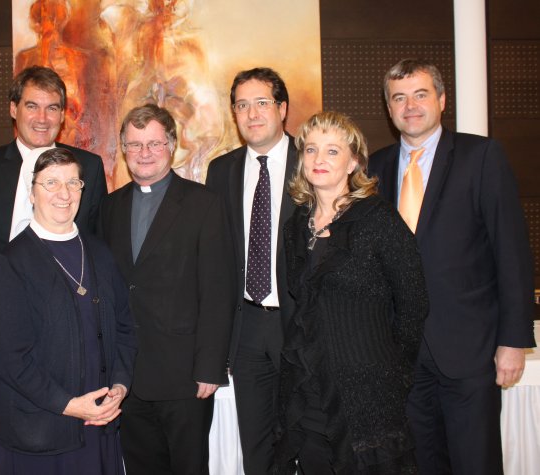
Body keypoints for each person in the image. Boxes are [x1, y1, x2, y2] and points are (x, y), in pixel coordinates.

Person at [368, 59, 536, 475]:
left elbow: (511, 252)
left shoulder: (481, 156)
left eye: (420, 95)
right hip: (402, 356)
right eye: (399, 98)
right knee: (419, 464)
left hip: (470, 351)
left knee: (475, 462)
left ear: (442, 100)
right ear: (388, 108)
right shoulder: (375, 168)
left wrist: (514, 340)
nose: (410, 106)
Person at [273, 111, 428, 474]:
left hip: (366, 393)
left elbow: (414, 303)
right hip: (308, 390)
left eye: (332, 150)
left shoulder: (379, 219)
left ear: (353, 162)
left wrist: (392, 370)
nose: (319, 159)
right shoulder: (296, 225)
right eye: (311, 149)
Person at [98, 104, 235, 474]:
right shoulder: (109, 207)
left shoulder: (204, 203)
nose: (144, 153)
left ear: (171, 146)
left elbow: (218, 290)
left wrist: (210, 367)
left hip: (184, 375)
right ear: (123, 149)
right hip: (127, 376)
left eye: (154, 144)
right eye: (135, 144)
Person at [0, 148, 136, 474]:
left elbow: (125, 327)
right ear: (32, 193)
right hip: (42, 431)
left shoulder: (100, 252)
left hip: (99, 421)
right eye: (51, 183)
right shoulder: (13, 261)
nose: (64, 193)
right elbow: (9, 358)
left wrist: (120, 385)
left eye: (73, 183)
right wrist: (70, 406)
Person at [205, 67, 297, 474]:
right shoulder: (221, 171)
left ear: (282, 108)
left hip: (301, 326)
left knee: (309, 440)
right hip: (246, 331)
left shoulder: (311, 161)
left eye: (261, 103)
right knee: (256, 447)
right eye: (242, 105)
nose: (252, 113)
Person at [0, 65, 107, 275]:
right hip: (4, 290)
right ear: (14, 109)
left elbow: (98, 244)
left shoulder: (89, 167)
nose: (42, 118)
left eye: (52, 108)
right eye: (32, 106)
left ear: (62, 115)